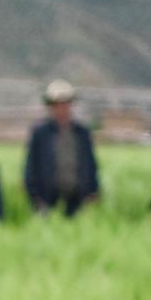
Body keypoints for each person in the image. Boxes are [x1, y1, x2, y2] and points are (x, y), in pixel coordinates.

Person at [25, 79, 100, 216]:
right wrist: (35, 197)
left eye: (65, 103)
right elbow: (31, 167)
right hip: (48, 199)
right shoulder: (40, 133)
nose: (62, 108)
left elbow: (91, 164)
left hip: (77, 198)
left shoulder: (82, 133)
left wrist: (93, 191)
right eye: (57, 104)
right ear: (51, 106)